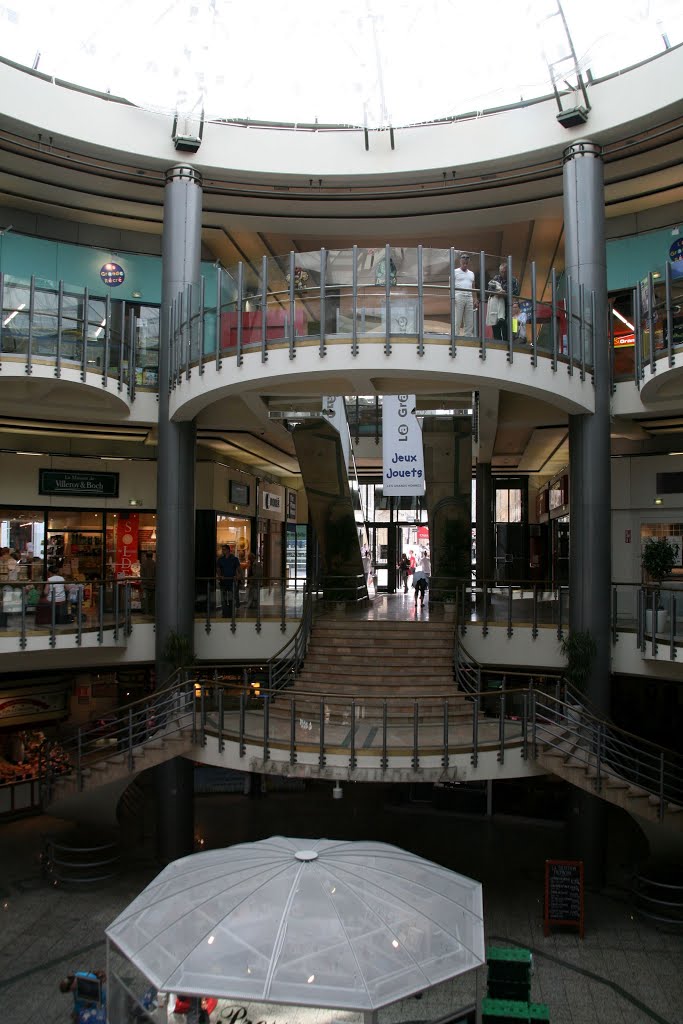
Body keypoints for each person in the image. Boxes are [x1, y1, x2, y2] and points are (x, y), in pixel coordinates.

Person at [490, 262, 520, 340]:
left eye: (505, 272)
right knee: (495, 324)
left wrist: (505, 294)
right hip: (497, 305)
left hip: (508, 305)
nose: (503, 274)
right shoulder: (496, 278)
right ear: (499, 271)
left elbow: (516, 294)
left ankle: (509, 342)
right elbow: (489, 290)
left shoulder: (513, 280)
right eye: (501, 272)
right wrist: (497, 293)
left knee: (507, 326)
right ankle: (497, 342)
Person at [453, 252, 479, 336]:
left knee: (469, 320)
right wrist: (452, 298)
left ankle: (468, 337)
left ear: (468, 262)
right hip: (458, 296)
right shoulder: (455, 272)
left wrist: (475, 298)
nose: (465, 263)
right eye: (463, 261)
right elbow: (451, 286)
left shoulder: (471, 273)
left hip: (469, 297)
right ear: (460, 261)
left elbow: (473, 286)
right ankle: (455, 336)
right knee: (457, 319)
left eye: (466, 262)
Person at [216, 544, 241, 617]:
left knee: (231, 598)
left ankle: (231, 612)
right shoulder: (220, 559)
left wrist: (239, 576)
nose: (223, 551)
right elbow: (218, 569)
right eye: (222, 549)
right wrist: (220, 576)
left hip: (232, 582)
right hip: (223, 582)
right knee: (223, 599)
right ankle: (225, 613)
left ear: (228, 550)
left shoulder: (234, 559)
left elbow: (239, 569)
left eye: (224, 549)